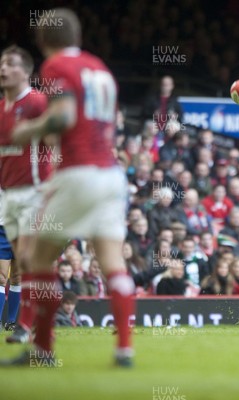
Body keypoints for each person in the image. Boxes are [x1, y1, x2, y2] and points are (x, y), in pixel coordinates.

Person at [5, 9, 135, 367]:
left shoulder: (56, 67)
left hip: (76, 174)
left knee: (36, 259)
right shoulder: (100, 67)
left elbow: (63, 115)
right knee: (112, 262)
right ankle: (125, 349)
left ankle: (43, 351)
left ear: (43, 40)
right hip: (111, 175)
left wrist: (30, 130)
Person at [0, 45, 51, 340]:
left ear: (26, 71)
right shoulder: (1, 108)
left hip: (35, 190)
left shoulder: (37, 103)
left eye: (9, 64)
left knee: (29, 261)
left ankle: (25, 326)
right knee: (23, 261)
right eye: (1, 64)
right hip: (8, 196)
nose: (3, 69)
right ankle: (30, 325)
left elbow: (57, 140)